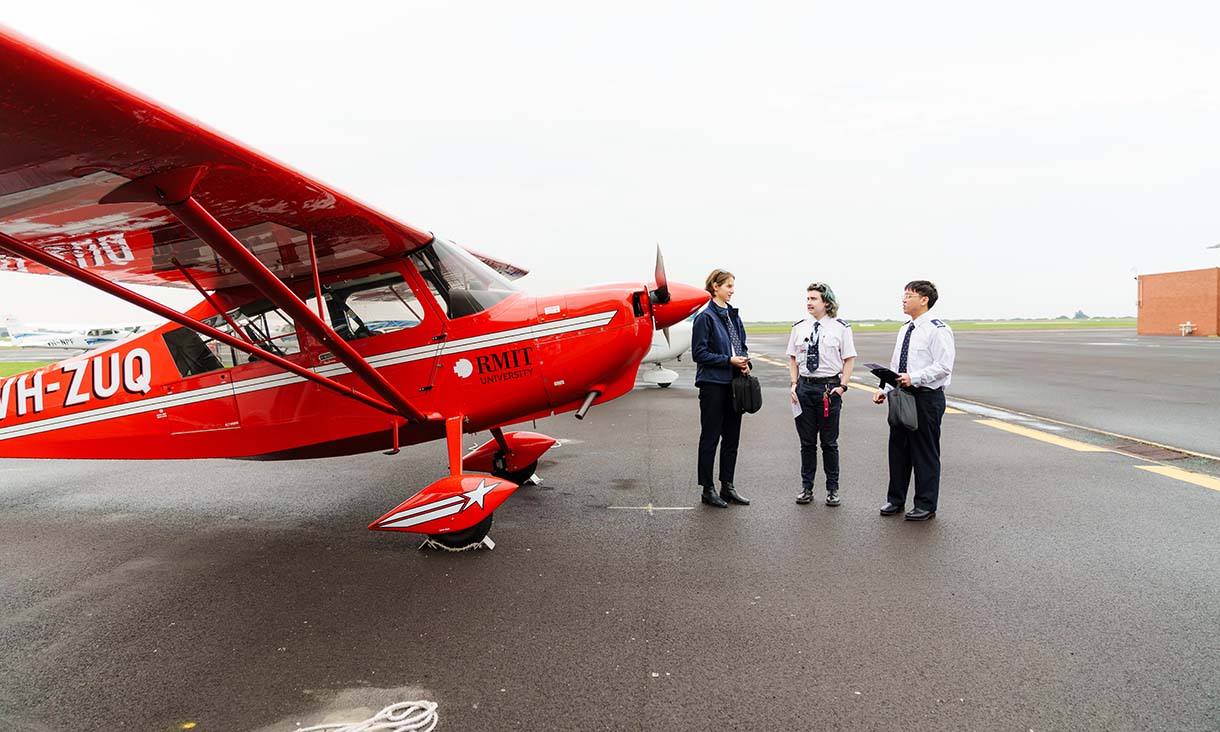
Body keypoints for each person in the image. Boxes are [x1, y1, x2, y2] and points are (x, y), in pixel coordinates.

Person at [871, 280, 955, 521]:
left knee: (924, 452)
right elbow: (897, 365)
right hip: (901, 396)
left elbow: (943, 367)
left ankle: (926, 505)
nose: (904, 299)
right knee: (898, 450)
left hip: (926, 398)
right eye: (904, 295)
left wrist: (914, 377)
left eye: (909, 295)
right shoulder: (904, 329)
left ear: (924, 299)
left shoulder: (937, 330)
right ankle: (895, 500)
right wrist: (884, 389)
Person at [786, 282, 856, 506]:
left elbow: (849, 359)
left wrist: (842, 386)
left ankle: (832, 489)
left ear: (826, 302)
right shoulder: (799, 327)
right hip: (805, 389)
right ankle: (807, 488)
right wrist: (794, 383)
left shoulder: (841, 328)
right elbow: (793, 358)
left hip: (829, 389)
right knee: (807, 443)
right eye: (807, 298)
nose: (809, 302)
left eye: (814, 298)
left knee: (829, 443)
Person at [691, 268, 751, 508]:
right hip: (713, 384)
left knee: (732, 438)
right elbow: (699, 353)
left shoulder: (734, 316)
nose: (732, 290)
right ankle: (708, 489)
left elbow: (742, 346)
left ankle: (728, 486)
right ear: (715, 287)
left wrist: (745, 363)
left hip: (734, 384)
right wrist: (728, 360)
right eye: (728, 286)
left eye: (733, 286)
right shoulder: (705, 317)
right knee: (710, 437)